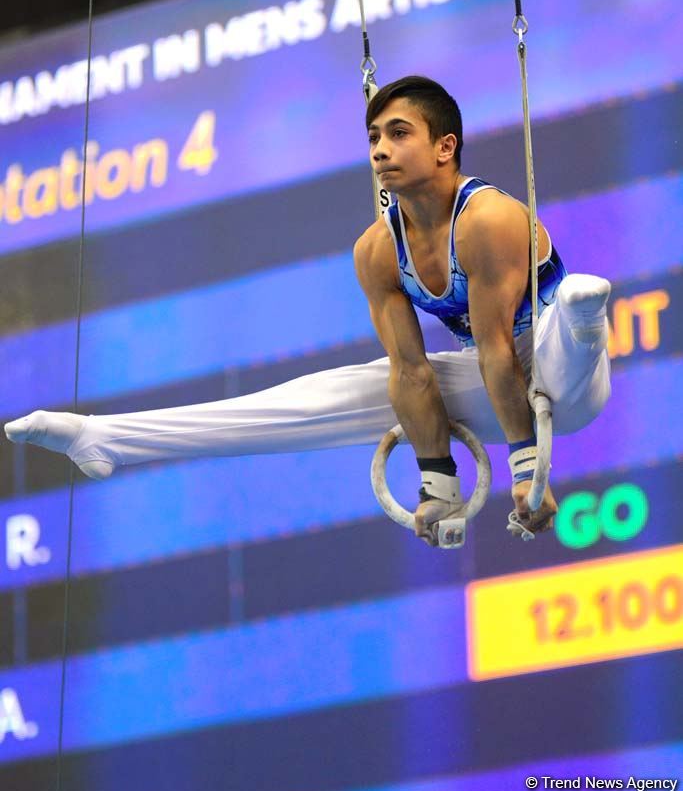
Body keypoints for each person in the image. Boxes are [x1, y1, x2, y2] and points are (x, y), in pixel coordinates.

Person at [4, 76, 611, 545]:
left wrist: (529, 469)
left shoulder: (487, 220)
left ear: (445, 146)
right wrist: (437, 485)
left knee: (566, 317)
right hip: (489, 373)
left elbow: (502, 351)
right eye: (374, 137)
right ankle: (105, 438)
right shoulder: (377, 250)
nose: (380, 149)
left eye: (399, 133)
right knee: (335, 393)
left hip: (555, 372)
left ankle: (586, 315)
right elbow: (412, 373)